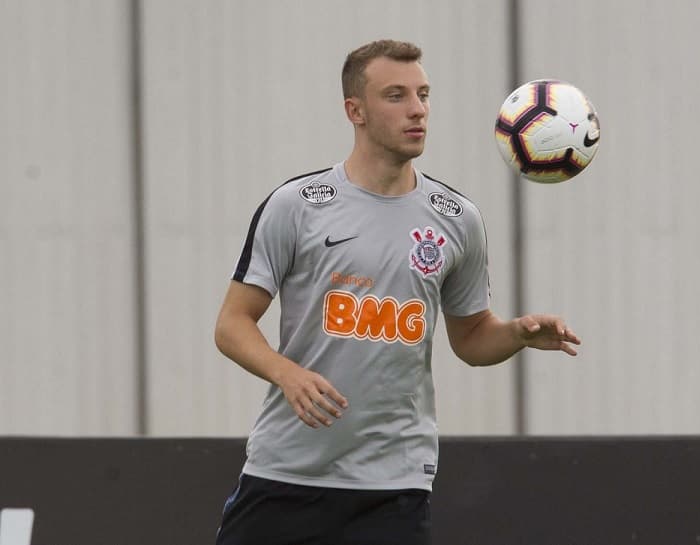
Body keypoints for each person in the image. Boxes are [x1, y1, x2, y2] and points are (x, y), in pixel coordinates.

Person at [213, 39, 581, 545]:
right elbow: (232, 324)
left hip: (395, 484)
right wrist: (288, 374)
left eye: (424, 95)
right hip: (288, 473)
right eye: (396, 95)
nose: (417, 110)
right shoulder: (296, 205)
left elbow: (471, 337)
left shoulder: (457, 220)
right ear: (354, 110)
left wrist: (516, 334)